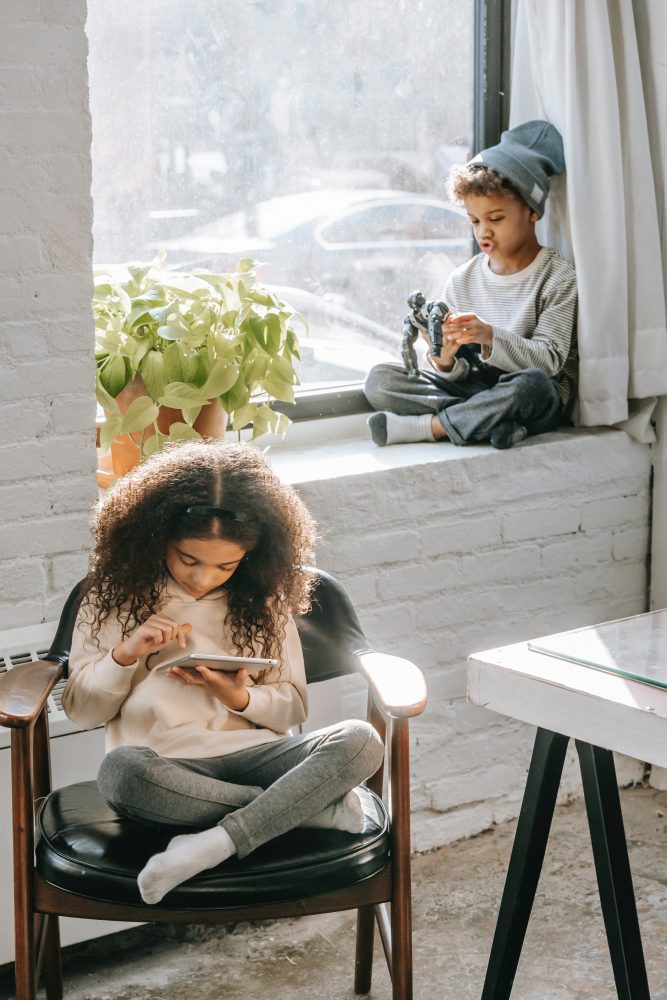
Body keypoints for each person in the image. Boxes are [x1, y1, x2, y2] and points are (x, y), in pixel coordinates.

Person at [62, 441, 384, 905]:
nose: (203, 578)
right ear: (155, 537)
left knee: (361, 739)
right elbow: (82, 712)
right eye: (188, 559)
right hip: (165, 769)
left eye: (225, 566)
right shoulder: (112, 598)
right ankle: (310, 811)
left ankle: (211, 845)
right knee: (121, 772)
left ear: (250, 556)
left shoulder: (266, 603)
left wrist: (238, 697)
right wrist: (126, 655)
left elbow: (291, 706)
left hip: (257, 756)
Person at [364, 120, 578, 450]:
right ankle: (493, 422)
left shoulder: (557, 277)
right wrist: (445, 360)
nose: (483, 233)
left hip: (529, 395)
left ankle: (432, 427)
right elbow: (455, 375)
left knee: (532, 387)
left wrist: (490, 336)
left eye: (496, 219)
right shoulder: (462, 279)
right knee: (380, 380)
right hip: (480, 392)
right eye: (475, 221)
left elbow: (549, 362)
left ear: (532, 211)